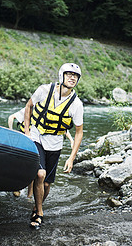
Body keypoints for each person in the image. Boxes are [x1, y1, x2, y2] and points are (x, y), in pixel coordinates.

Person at [23, 63, 83, 229]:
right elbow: (29, 106)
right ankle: (39, 213)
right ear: (61, 76)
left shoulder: (76, 104)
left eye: (75, 76)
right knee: (40, 174)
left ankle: (37, 205)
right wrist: (27, 131)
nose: (72, 77)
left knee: (47, 184)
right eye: (69, 74)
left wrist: (71, 157)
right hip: (37, 136)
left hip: (55, 143)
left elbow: (79, 132)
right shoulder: (44, 90)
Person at [8, 107, 74, 198]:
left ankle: (29, 195)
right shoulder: (31, 109)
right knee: (21, 164)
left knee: (33, 168)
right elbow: (11, 117)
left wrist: (71, 141)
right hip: (23, 140)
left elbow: (62, 129)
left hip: (35, 143)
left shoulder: (50, 112)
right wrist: (11, 131)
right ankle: (17, 187)